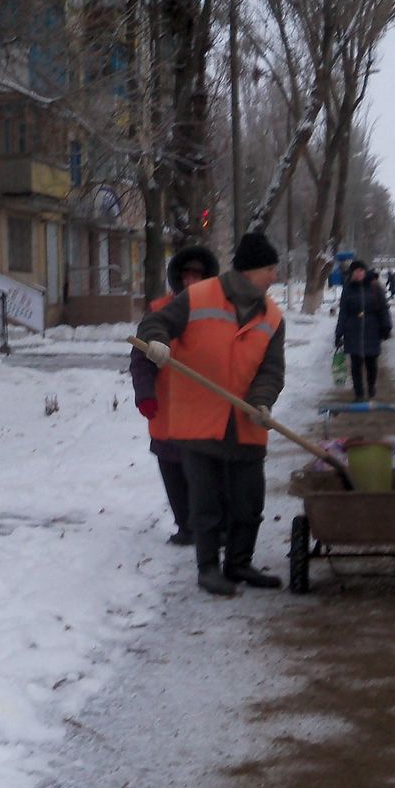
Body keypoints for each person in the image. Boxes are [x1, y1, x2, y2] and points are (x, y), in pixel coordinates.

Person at [134, 231, 285, 597]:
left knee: (249, 502)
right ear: (250, 270)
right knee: (207, 502)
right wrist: (157, 342)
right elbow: (155, 323)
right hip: (200, 419)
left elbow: (271, 369)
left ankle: (239, 562)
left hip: (247, 419)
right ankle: (207, 569)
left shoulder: (273, 315)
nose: (274, 276)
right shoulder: (199, 296)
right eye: (269, 269)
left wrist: (262, 401)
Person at [130, 245, 220, 546]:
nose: (191, 281)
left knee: (206, 473)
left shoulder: (219, 312)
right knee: (171, 467)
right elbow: (141, 358)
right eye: (186, 275)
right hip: (167, 407)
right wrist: (145, 393)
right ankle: (186, 526)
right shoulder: (158, 310)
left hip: (206, 408)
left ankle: (210, 527)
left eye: (198, 275)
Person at [334, 258, 392, 401]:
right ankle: (359, 393)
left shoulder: (374, 287)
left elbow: (383, 309)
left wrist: (386, 327)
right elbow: (343, 313)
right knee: (355, 365)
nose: (359, 274)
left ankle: (371, 386)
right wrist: (339, 333)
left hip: (372, 329)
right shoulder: (348, 289)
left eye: (361, 271)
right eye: (356, 271)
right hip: (353, 330)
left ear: (365, 272)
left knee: (372, 363)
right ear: (352, 273)